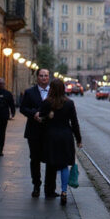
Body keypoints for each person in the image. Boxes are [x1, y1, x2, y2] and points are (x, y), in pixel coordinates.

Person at [39, 78, 82, 206]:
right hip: (65, 137)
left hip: (51, 136)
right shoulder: (69, 103)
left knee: (51, 163)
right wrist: (79, 139)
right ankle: (64, 191)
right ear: (63, 89)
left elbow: (42, 119)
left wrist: (47, 117)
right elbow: (74, 123)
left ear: (51, 89)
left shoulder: (47, 103)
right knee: (64, 165)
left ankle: (49, 190)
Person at [20, 68, 58, 198]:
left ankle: (50, 189)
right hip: (34, 132)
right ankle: (36, 185)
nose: (43, 78)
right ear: (37, 78)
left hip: (50, 132)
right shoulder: (30, 92)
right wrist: (33, 114)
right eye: (41, 76)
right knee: (35, 159)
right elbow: (23, 108)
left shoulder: (54, 93)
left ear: (49, 77)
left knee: (51, 160)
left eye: (46, 76)